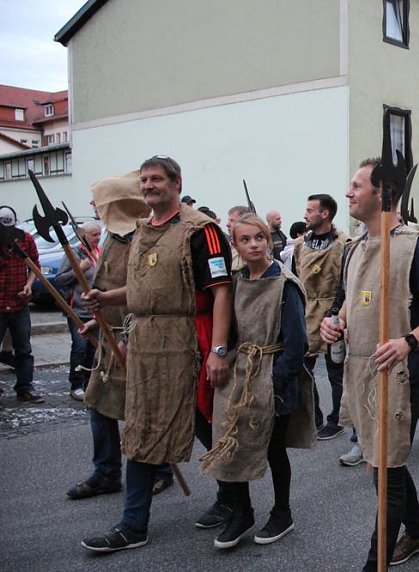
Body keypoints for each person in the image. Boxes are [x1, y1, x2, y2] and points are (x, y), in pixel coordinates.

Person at [80, 155, 233, 553]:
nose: (149, 186)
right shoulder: (142, 230)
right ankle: (135, 524)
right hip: (145, 341)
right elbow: (145, 291)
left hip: (185, 340)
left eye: (157, 180)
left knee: (201, 422)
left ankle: (233, 499)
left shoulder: (202, 230)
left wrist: (218, 350)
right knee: (144, 428)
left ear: (176, 183)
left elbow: (221, 292)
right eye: (144, 180)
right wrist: (106, 297)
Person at [320, 158, 419, 570]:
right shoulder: (354, 246)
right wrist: (333, 323)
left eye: (356, 186)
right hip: (360, 371)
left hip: (397, 373)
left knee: (387, 472)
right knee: (379, 466)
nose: (348, 193)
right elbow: (349, 301)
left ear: (381, 192)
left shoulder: (415, 247)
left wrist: (407, 341)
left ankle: (372, 563)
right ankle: (417, 532)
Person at [200, 213, 315, 549]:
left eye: (259, 238)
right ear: (234, 244)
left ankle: (282, 512)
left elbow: (297, 344)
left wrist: (276, 383)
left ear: (268, 240)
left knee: (273, 448)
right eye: (245, 239)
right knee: (230, 443)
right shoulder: (235, 283)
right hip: (239, 374)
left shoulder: (284, 284)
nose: (253, 245)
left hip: (272, 372)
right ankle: (241, 512)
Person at [67, 171, 175, 499]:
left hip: (139, 340)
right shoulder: (113, 238)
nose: (92, 206)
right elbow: (105, 286)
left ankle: (161, 469)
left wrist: (129, 338)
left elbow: (149, 292)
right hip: (109, 340)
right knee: (98, 404)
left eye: (98, 202)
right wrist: (96, 323)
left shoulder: (147, 239)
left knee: (144, 411)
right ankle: (107, 472)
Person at [293, 194, 349, 440]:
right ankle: (313, 417)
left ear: (324, 214)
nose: (305, 214)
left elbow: (347, 282)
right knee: (304, 369)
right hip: (306, 313)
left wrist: (336, 313)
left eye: (309, 210)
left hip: (333, 313)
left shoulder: (344, 243)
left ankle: (336, 419)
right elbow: (295, 277)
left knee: (336, 370)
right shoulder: (300, 245)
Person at [0, 205, 43, 403]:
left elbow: (34, 264)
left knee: (23, 348)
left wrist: (28, 285)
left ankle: (25, 387)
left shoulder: (26, 239)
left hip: (19, 303)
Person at [55, 220, 102, 401]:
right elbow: (60, 280)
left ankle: (91, 383)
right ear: (83, 236)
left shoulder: (99, 252)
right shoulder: (73, 253)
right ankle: (76, 384)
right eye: (94, 235)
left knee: (94, 349)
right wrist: (79, 270)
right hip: (78, 310)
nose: (98, 238)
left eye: (99, 234)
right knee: (80, 347)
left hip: (96, 311)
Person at [226, 205, 251, 272]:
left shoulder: (252, 245)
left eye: (232, 220)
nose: (227, 224)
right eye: (228, 220)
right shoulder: (228, 245)